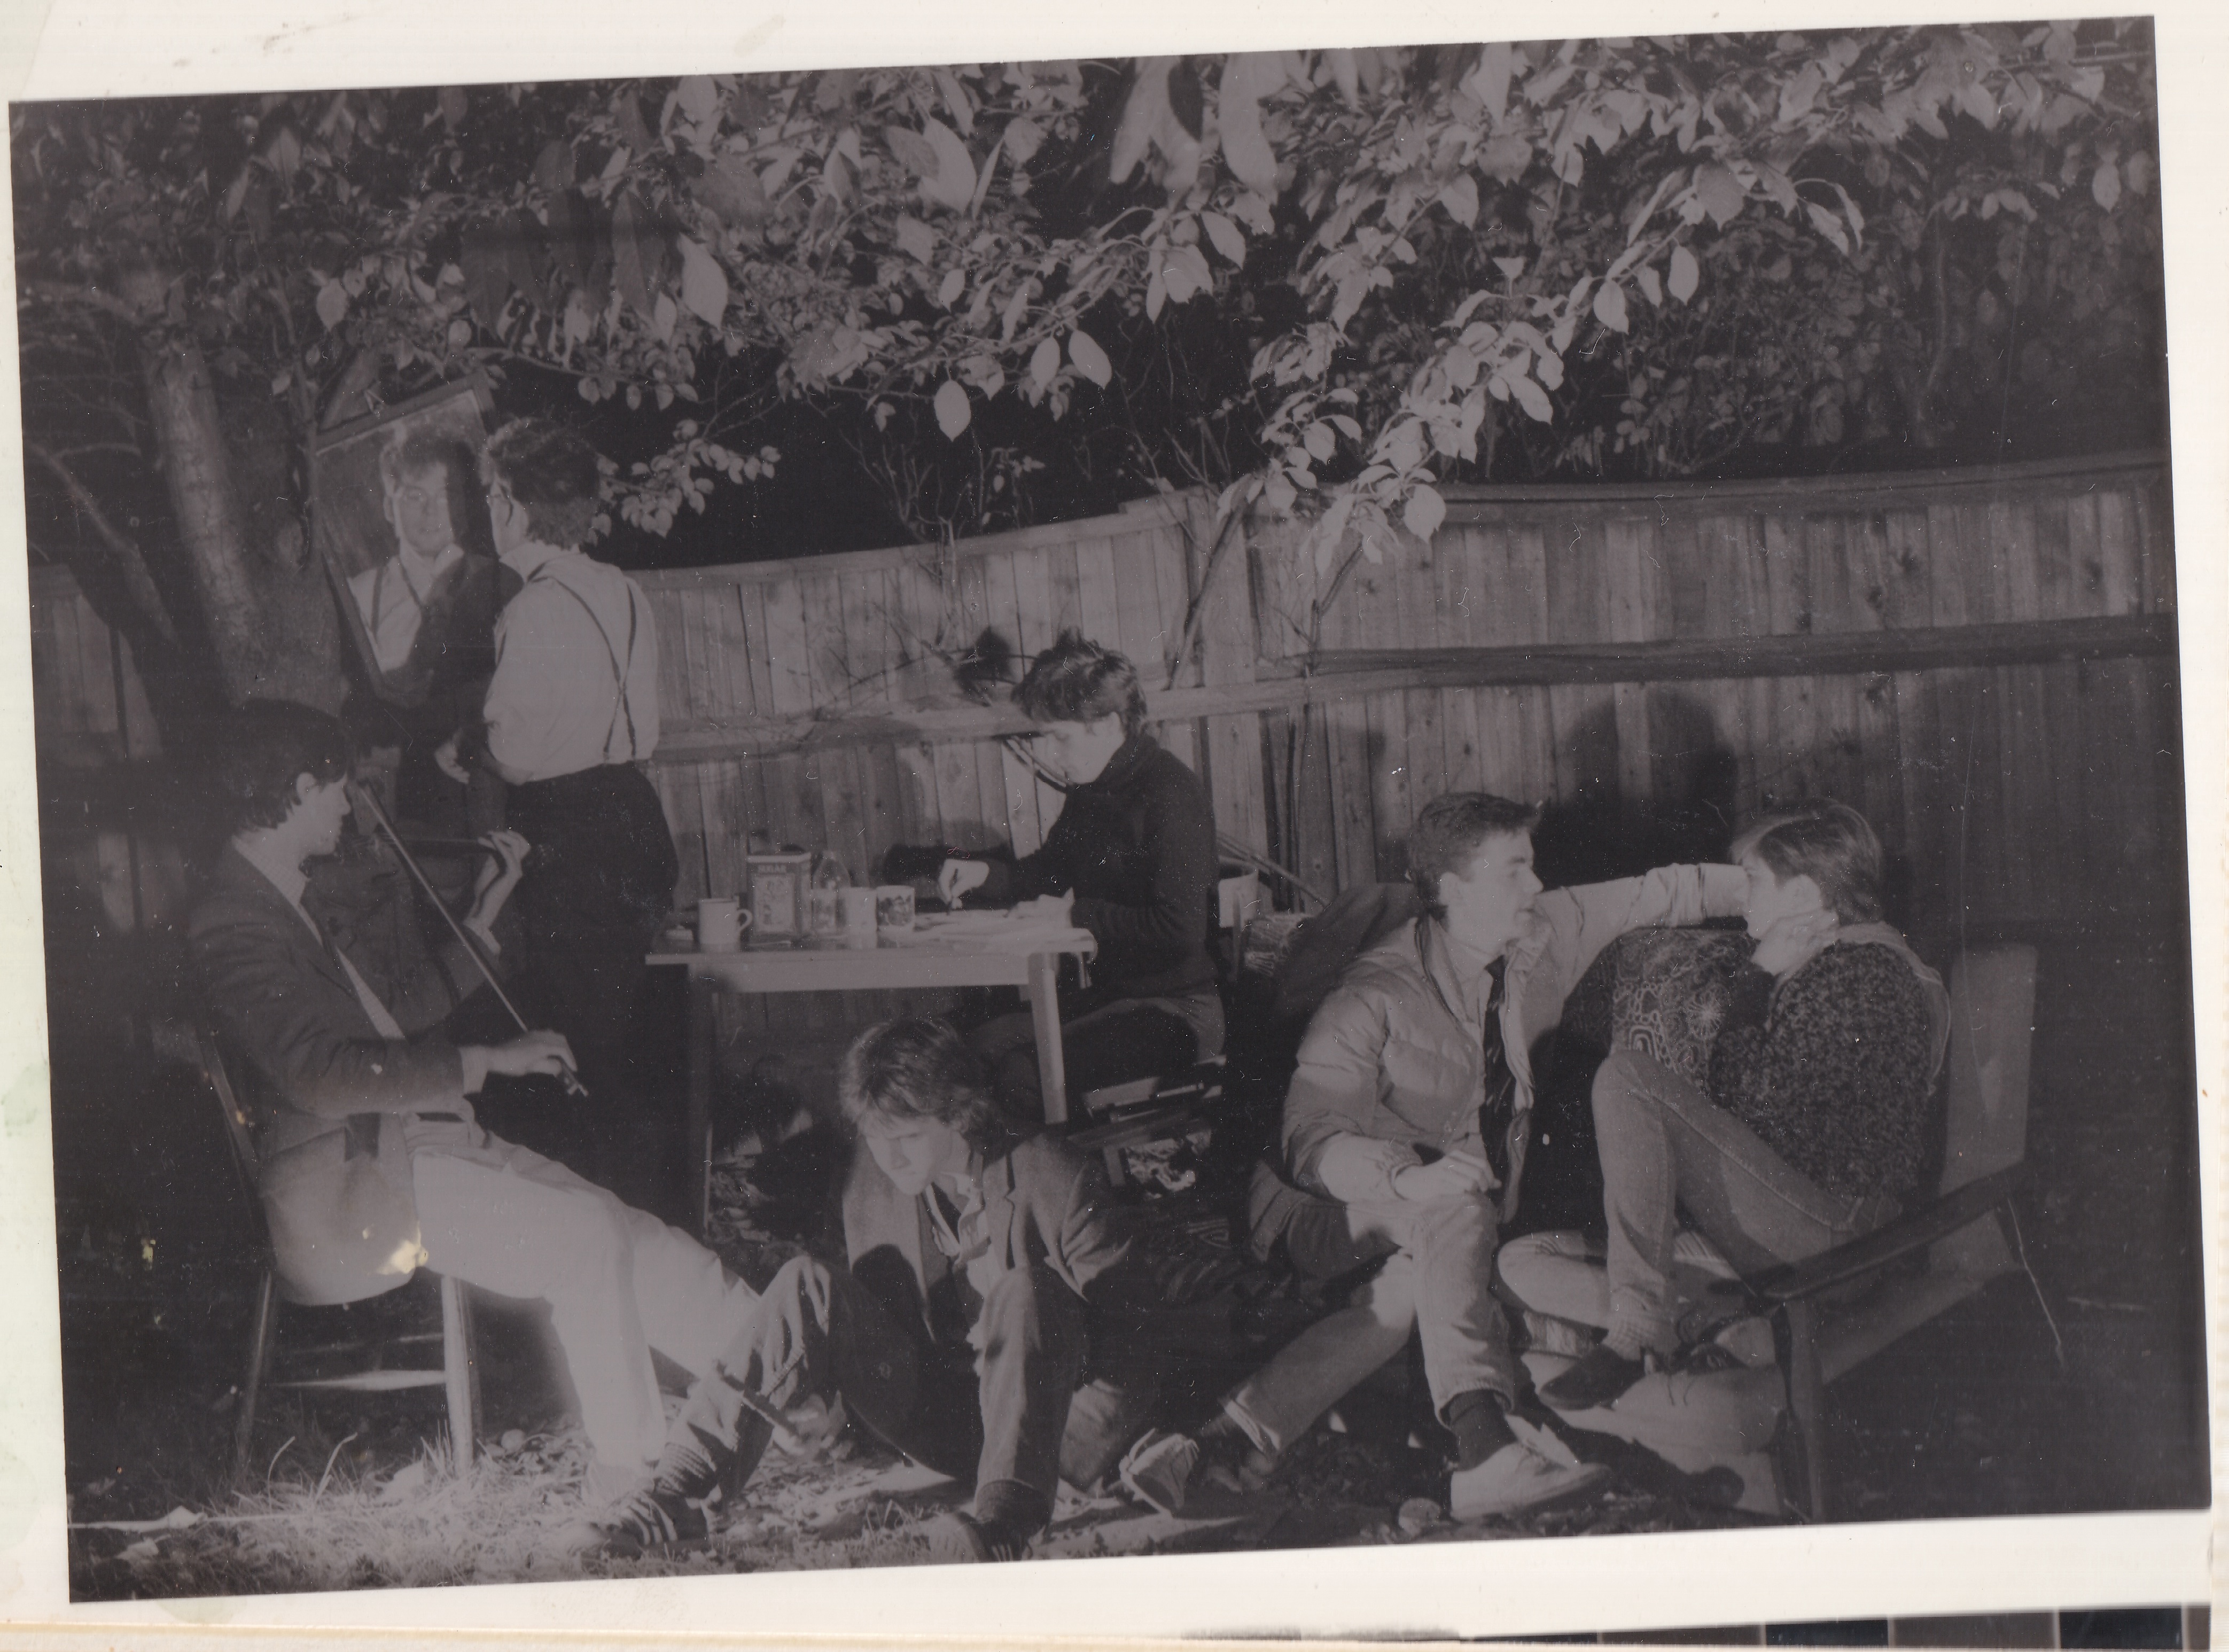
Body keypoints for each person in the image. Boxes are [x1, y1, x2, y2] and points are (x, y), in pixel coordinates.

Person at [1114, 792, 1749, 1523]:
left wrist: (1785, 888)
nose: (1535, 887)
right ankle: (1482, 1449)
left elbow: (1666, 891)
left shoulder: (1545, 931)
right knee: (1449, 1209)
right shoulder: (1373, 994)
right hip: (1319, 1204)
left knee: (1426, 1265)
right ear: (1451, 891)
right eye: (1514, 871)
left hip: (1447, 1216)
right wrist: (1408, 1178)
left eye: (1533, 867)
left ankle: (1229, 1436)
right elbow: (1309, 1137)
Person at [190, 702, 758, 1510]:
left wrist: (488, 909)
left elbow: (399, 1015)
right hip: (358, 1188)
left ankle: (794, 1378)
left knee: (634, 1233)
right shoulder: (233, 919)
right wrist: (489, 1061)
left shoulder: (285, 899)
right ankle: (632, 1482)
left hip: (423, 1147)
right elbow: (318, 1079)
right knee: (587, 1238)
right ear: (296, 789)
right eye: (340, 792)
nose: (351, 808)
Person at [589, 1017, 1166, 1562]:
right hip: (947, 1417)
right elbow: (878, 1330)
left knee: (1023, 1289)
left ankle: (1003, 1527)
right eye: (874, 1135)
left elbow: (1136, 1344)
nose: (889, 1156)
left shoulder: (1056, 1175)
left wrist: (1086, 1456)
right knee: (804, 1279)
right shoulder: (872, 1179)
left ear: (960, 1115)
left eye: (909, 1136)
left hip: (1051, 1426)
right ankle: (673, 1491)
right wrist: (839, 1414)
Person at [1533, 800, 1950, 1412]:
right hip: (1793, 1218)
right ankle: (1705, 1325)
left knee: (1628, 1075)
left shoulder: (1862, 975)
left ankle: (1636, 1326)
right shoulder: (1837, 962)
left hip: (1835, 1237)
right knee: (1525, 1257)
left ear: (1806, 894)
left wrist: (1756, 977)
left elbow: (1749, 1107)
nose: (1741, 896)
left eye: (1754, 880)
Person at [437, 418, 678, 1194]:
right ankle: (645, 1207)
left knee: (572, 1051)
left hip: (568, 835)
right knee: (621, 1040)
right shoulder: (625, 590)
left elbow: (513, 751)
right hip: (635, 820)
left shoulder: (530, 611)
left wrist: (469, 747)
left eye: (487, 497)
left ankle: (608, 1213)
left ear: (510, 504)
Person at [936, 632, 1221, 1115]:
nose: (1052, 754)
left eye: (1060, 737)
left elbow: (1182, 929)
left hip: (1183, 1012)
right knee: (973, 1045)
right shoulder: (1093, 793)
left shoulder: (1170, 793)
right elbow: (1047, 873)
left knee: (1024, 1071)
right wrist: (983, 872)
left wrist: (1078, 917)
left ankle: (1046, 1185)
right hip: (1116, 1000)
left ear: (1107, 724)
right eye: (1046, 738)